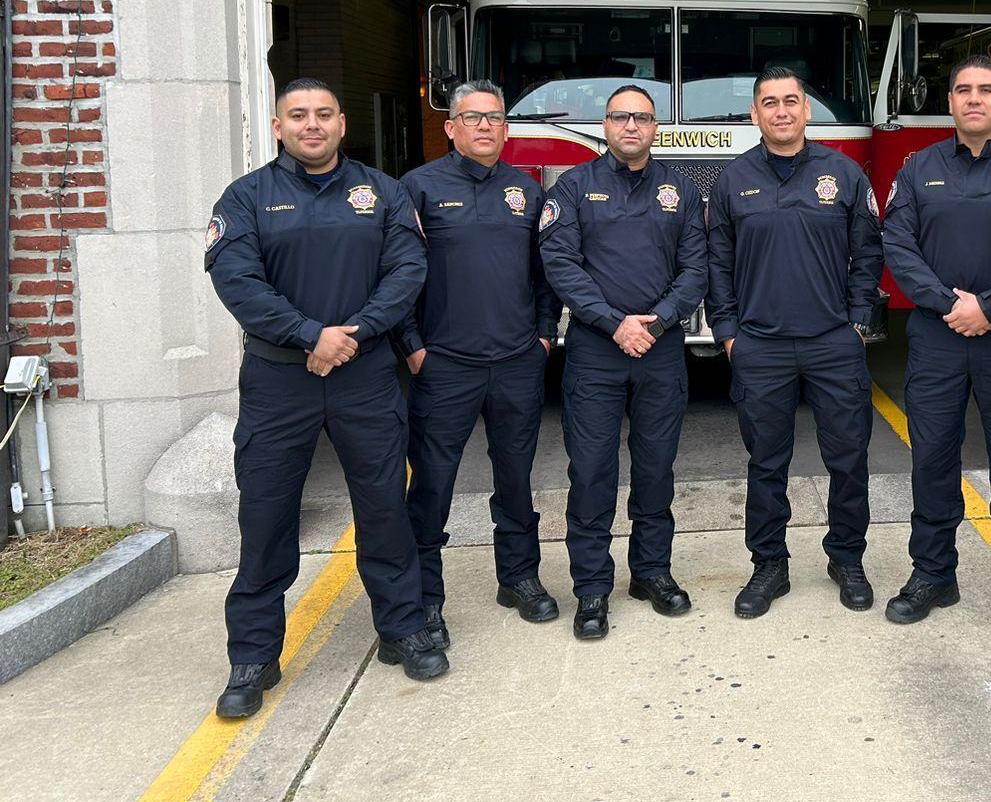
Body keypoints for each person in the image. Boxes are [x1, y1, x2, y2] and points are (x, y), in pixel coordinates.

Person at [204, 78, 446, 720]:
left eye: (324, 115)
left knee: (385, 507)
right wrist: (311, 334)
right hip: (280, 380)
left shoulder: (382, 192)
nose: (312, 125)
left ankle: (402, 629)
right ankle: (252, 656)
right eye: (298, 115)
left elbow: (407, 271)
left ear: (343, 123)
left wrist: (354, 334)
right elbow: (236, 280)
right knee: (266, 515)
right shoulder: (246, 197)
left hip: (364, 375)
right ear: (279, 126)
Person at [880, 54, 991, 626]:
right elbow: (898, 247)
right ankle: (932, 574)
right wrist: (951, 304)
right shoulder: (918, 166)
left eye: (985, 90)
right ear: (950, 102)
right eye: (963, 90)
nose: (974, 99)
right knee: (931, 459)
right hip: (936, 337)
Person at [706, 66, 883, 618]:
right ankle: (769, 566)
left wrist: (857, 322)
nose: (781, 111)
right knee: (766, 461)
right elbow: (718, 264)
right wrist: (729, 332)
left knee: (849, 457)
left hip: (834, 341)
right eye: (769, 103)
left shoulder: (845, 173)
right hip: (760, 345)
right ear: (754, 115)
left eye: (791, 101)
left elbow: (868, 253)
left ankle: (847, 558)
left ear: (807, 110)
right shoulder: (733, 180)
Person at [539, 86, 707, 640]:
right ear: (605, 124)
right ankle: (591, 589)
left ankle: (652, 572)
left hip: (660, 352)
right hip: (595, 351)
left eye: (641, 117)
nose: (631, 124)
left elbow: (695, 268)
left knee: (656, 469)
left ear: (655, 126)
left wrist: (654, 323)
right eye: (620, 116)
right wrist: (614, 322)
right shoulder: (573, 188)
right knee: (591, 472)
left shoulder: (679, 190)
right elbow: (560, 263)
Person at [398, 81, 561, 651]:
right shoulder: (416, 189)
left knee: (516, 480)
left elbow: (546, 273)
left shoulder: (527, 190)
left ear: (506, 127)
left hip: (517, 361)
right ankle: (425, 600)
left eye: (495, 117)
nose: (485, 127)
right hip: (445, 365)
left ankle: (519, 578)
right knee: (433, 486)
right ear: (451, 127)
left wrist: (544, 335)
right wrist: (414, 345)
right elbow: (396, 275)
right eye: (472, 118)